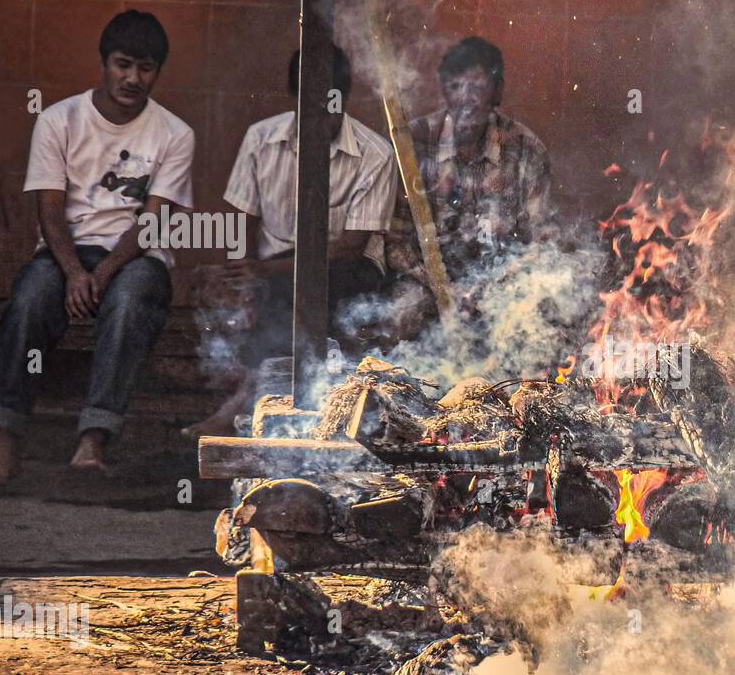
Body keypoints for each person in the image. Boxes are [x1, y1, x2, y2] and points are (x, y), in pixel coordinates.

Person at [0, 10, 194, 484]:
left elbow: (153, 222)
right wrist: (75, 271)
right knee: (30, 298)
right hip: (64, 254)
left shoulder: (175, 134)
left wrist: (101, 275)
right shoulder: (59, 119)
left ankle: (93, 441)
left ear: (157, 71)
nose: (133, 78)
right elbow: (49, 209)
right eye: (123, 64)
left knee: (128, 302)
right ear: (104, 63)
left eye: (146, 68)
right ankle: (7, 442)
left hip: (137, 258)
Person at [182, 46, 397, 437]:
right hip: (273, 265)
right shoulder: (261, 139)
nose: (321, 113)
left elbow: (351, 245)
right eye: (310, 102)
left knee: (298, 289)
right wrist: (240, 276)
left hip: (346, 267)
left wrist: (261, 272)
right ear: (294, 97)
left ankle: (280, 406)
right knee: (237, 290)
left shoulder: (375, 154)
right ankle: (257, 403)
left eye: (331, 102)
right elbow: (241, 220)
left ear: (344, 99)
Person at [385, 36, 559, 312]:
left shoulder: (527, 149)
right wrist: (441, 286)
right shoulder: (416, 144)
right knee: (401, 313)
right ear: (444, 91)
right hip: (430, 284)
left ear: (498, 92)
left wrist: (494, 288)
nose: (468, 99)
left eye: (479, 86)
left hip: (503, 285)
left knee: (542, 319)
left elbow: (542, 241)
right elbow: (395, 243)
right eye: (456, 86)